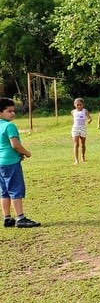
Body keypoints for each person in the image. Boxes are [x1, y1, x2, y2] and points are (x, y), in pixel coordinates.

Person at [0, 98, 39, 228]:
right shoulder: (9, 126)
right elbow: (15, 145)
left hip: (1, 163)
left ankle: (7, 218)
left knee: (4, 191)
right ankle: (20, 218)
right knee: (15, 190)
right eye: (9, 111)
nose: (13, 114)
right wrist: (26, 153)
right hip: (10, 163)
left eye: (13, 111)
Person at [71, 97, 92, 164]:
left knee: (83, 144)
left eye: (80, 104)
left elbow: (90, 118)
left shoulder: (85, 111)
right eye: (77, 105)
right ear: (74, 105)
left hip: (83, 128)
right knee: (76, 144)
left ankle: (82, 157)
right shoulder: (73, 112)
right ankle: (76, 160)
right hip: (75, 129)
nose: (79, 106)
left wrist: (89, 121)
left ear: (83, 105)